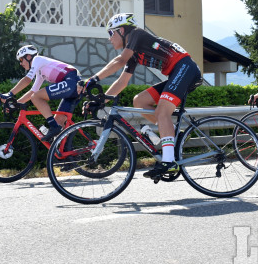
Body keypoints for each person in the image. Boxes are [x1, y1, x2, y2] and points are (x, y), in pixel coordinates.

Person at [82, 13, 201, 179]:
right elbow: (122, 82)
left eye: (111, 33)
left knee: (162, 111)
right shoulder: (133, 53)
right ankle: (173, 132)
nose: (109, 39)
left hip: (185, 68)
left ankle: (169, 161)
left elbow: (120, 61)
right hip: (177, 72)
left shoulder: (136, 34)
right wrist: (102, 101)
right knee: (139, 101)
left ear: (122, 30)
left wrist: (93, 79)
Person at [0, 45, 82, 141]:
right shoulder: (40, 71)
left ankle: (53, 127)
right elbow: (32, 91)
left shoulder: (37, 59)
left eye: (21, 60)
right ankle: (67, 152)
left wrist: (9, 94)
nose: (21, 64)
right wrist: (14, 104)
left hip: (72, 82)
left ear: (28, 57)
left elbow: (27, 80)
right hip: (73, 86)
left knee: (36, 97)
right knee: (58, 122)